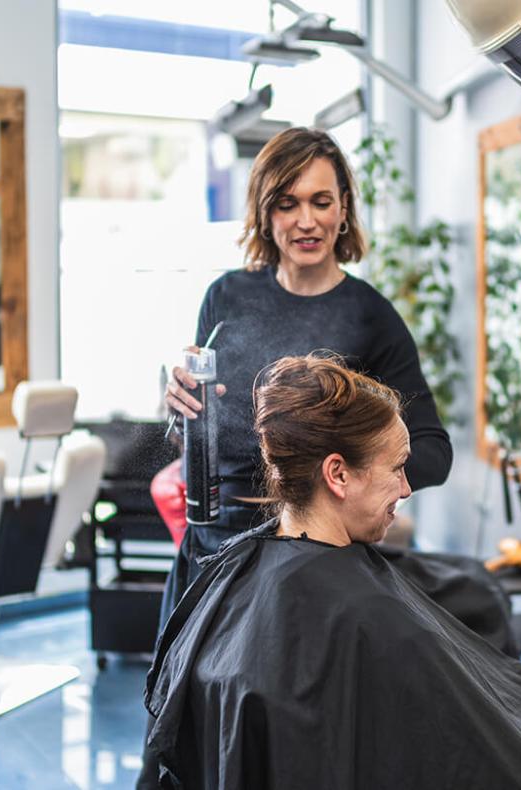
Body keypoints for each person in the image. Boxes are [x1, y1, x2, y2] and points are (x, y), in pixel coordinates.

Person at [143, 356, 521, 790]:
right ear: (337, 473)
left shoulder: (234, 575)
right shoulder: (370, 622)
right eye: (396, 469)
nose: (408, 487)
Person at [160, 127, 452, 620]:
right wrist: (180, 408)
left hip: (314, 559)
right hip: (215, 547)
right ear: (263, 212)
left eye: (321, 201)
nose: (306, 221)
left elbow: (433, 453)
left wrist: (350, 479)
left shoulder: (371, 317)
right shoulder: (226, 299)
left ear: (343, 210)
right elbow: (193, 440)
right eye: (287, 204)